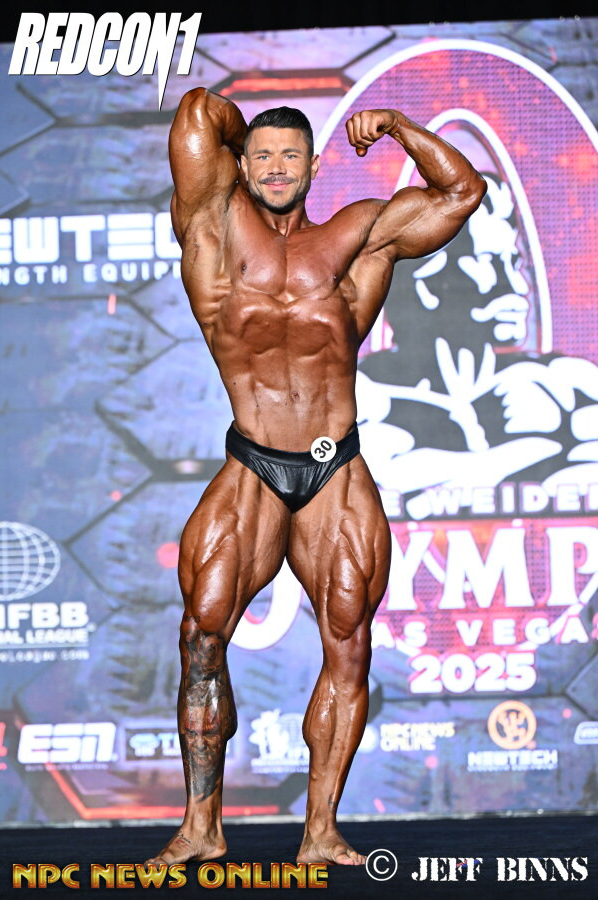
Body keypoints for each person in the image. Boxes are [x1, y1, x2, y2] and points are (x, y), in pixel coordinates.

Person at [146, 88, 485, 867]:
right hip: (253, 462)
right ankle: (201, 827)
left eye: (290, 156)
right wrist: (240, 140)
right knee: (202, 633)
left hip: (336, 467)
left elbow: (462, 192)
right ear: (242, 165)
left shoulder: (359, 236)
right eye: (262, 157)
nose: (275, 168)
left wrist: (398, 126)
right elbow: (196, 111)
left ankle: (321, 830)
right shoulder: (213, 230)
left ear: (315, 165)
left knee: (348, 641)